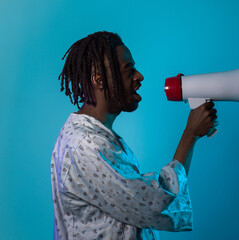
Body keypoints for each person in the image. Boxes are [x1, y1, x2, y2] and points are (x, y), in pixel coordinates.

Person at [50, 31, 217, 240]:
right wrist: (190, 135)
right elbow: (153, 204)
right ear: (99, 80)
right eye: (128, 70)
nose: (139, 77)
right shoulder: (86, 145)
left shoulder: (96, 136)